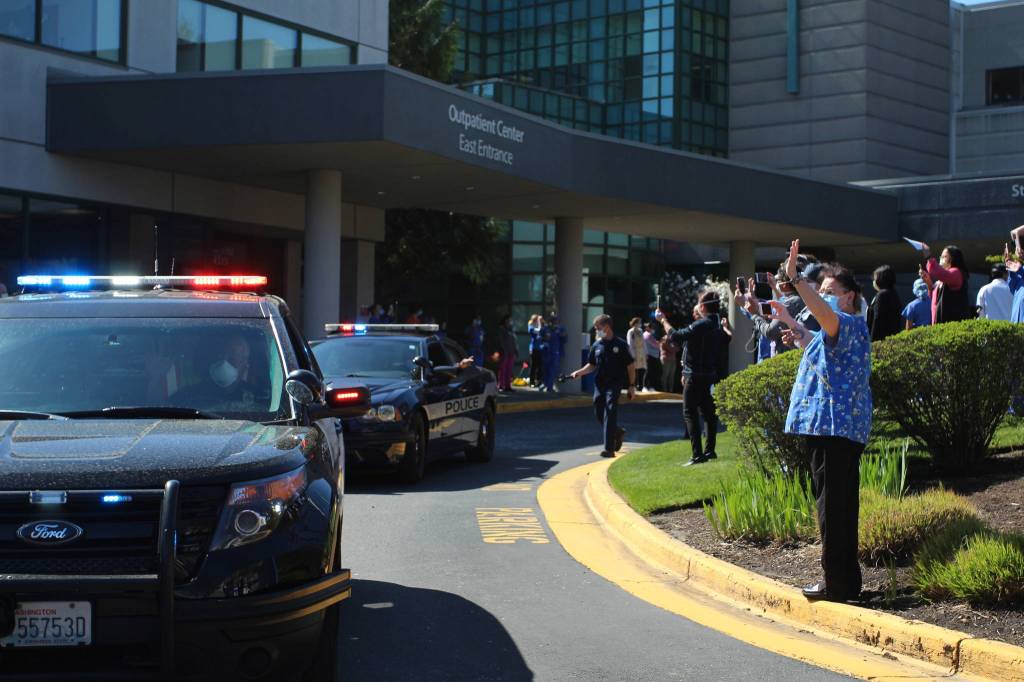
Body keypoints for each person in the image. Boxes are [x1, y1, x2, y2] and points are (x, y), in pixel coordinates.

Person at [770, 242, 872, 604]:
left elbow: (825, 321)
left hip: (833, 429)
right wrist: (791, 324)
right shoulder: (844, 330)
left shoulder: (848, 323)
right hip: (834, 429)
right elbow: (821, 345)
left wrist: (797, 278)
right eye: (821, 292)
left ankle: (837, 585)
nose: (823, 298)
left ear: (850, 297)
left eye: (829, 292)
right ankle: (845, 581)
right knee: (839, 505)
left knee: (833, 507)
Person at [656, 290, 731, 466]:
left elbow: (675, 336)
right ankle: (710, 450)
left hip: (695, 375)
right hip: (708, 375)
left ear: (703, 307)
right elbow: (727, 339)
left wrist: (663, 321)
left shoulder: (703, 324)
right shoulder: (717, 324)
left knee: (690, 413)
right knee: (708, 413)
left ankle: (697, 454)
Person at [569, 314, 635, 458]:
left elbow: (630, 366)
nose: (596, 330)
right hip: (600, 384)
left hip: (615, 384)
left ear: (607, 327)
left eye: (598, 327)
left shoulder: (621, 344)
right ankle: (617, 432)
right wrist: (579, 373)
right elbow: (591, 365)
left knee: (610, 411)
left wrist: (631, 385)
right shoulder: (596, 345)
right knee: (599, 412)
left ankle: (609, 449)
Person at [920, 244, 970, 324]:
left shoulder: (956, 272)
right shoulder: (942, 280)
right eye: (941, 256)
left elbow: (941, 273)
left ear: (953, 258)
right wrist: (929, 283)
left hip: (951, 326)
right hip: (939, 325)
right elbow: (934, 300)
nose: (941, 259)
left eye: (944, 256)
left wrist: (928, 257)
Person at [866, 265, 903, 341]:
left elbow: (878, 320)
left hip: (880, 340)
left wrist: (872, 341)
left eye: (875, 278)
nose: (874, 281)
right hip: (890, 338)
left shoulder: (882, 295)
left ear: (881, 279)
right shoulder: (892, 293)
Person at [543, 313, 567, 392]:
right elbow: (540, 337)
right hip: (546, 351)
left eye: (556, 320)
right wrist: (545, 338)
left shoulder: (561, 329)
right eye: (553, 320)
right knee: (546, 369)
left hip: (556, 352)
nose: (554, 321)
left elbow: (565, 340)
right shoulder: (546, 328)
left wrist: (562, 335)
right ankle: (546, 385)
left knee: (552, 370)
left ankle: (549, 387)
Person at [496, 315, 518, 393]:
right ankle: (501, 385)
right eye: (509, 320)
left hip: (511, 352)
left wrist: (516, 350)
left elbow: (514, 341)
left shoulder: (511, 329)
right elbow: (501, 341)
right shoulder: (502, 329)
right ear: (505, 320)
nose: (510, 321)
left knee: (509, 369)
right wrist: (503, 350)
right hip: (504, 352)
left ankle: (508, 386)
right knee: (503, 369)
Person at [626, 317, 648, 392]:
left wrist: (646, 352)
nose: (640, 324)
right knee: (635, 369)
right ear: (635, 323)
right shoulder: (631, 332)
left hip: (641, 352)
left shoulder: (640, 331)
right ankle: (633, 385)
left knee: (642, 369)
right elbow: (630, 343)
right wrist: (632, 355)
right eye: (639, 322)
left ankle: (641, 385)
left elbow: (644, 343)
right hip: (635, 352)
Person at [643, 323, 662, 391]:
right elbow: (656, 345)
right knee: (649, 371)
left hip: (652, 355)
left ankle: (650, 386)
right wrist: (660, 342)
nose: (653, 329)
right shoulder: (648, 335)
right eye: (652, 328)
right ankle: (645, 386)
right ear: (649, 328)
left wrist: (658, 343)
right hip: (650, 355)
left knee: (651, 372)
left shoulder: (648, 334)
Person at [528, 315, 545, 388]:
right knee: (533, 366)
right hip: (534, 349)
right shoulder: (531, 327)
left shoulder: (540, 326)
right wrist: (539, 323)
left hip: (540, 349)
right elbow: (539, 330)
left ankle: (539, 381)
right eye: (536, 320)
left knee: (540, 366)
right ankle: (532, 382)